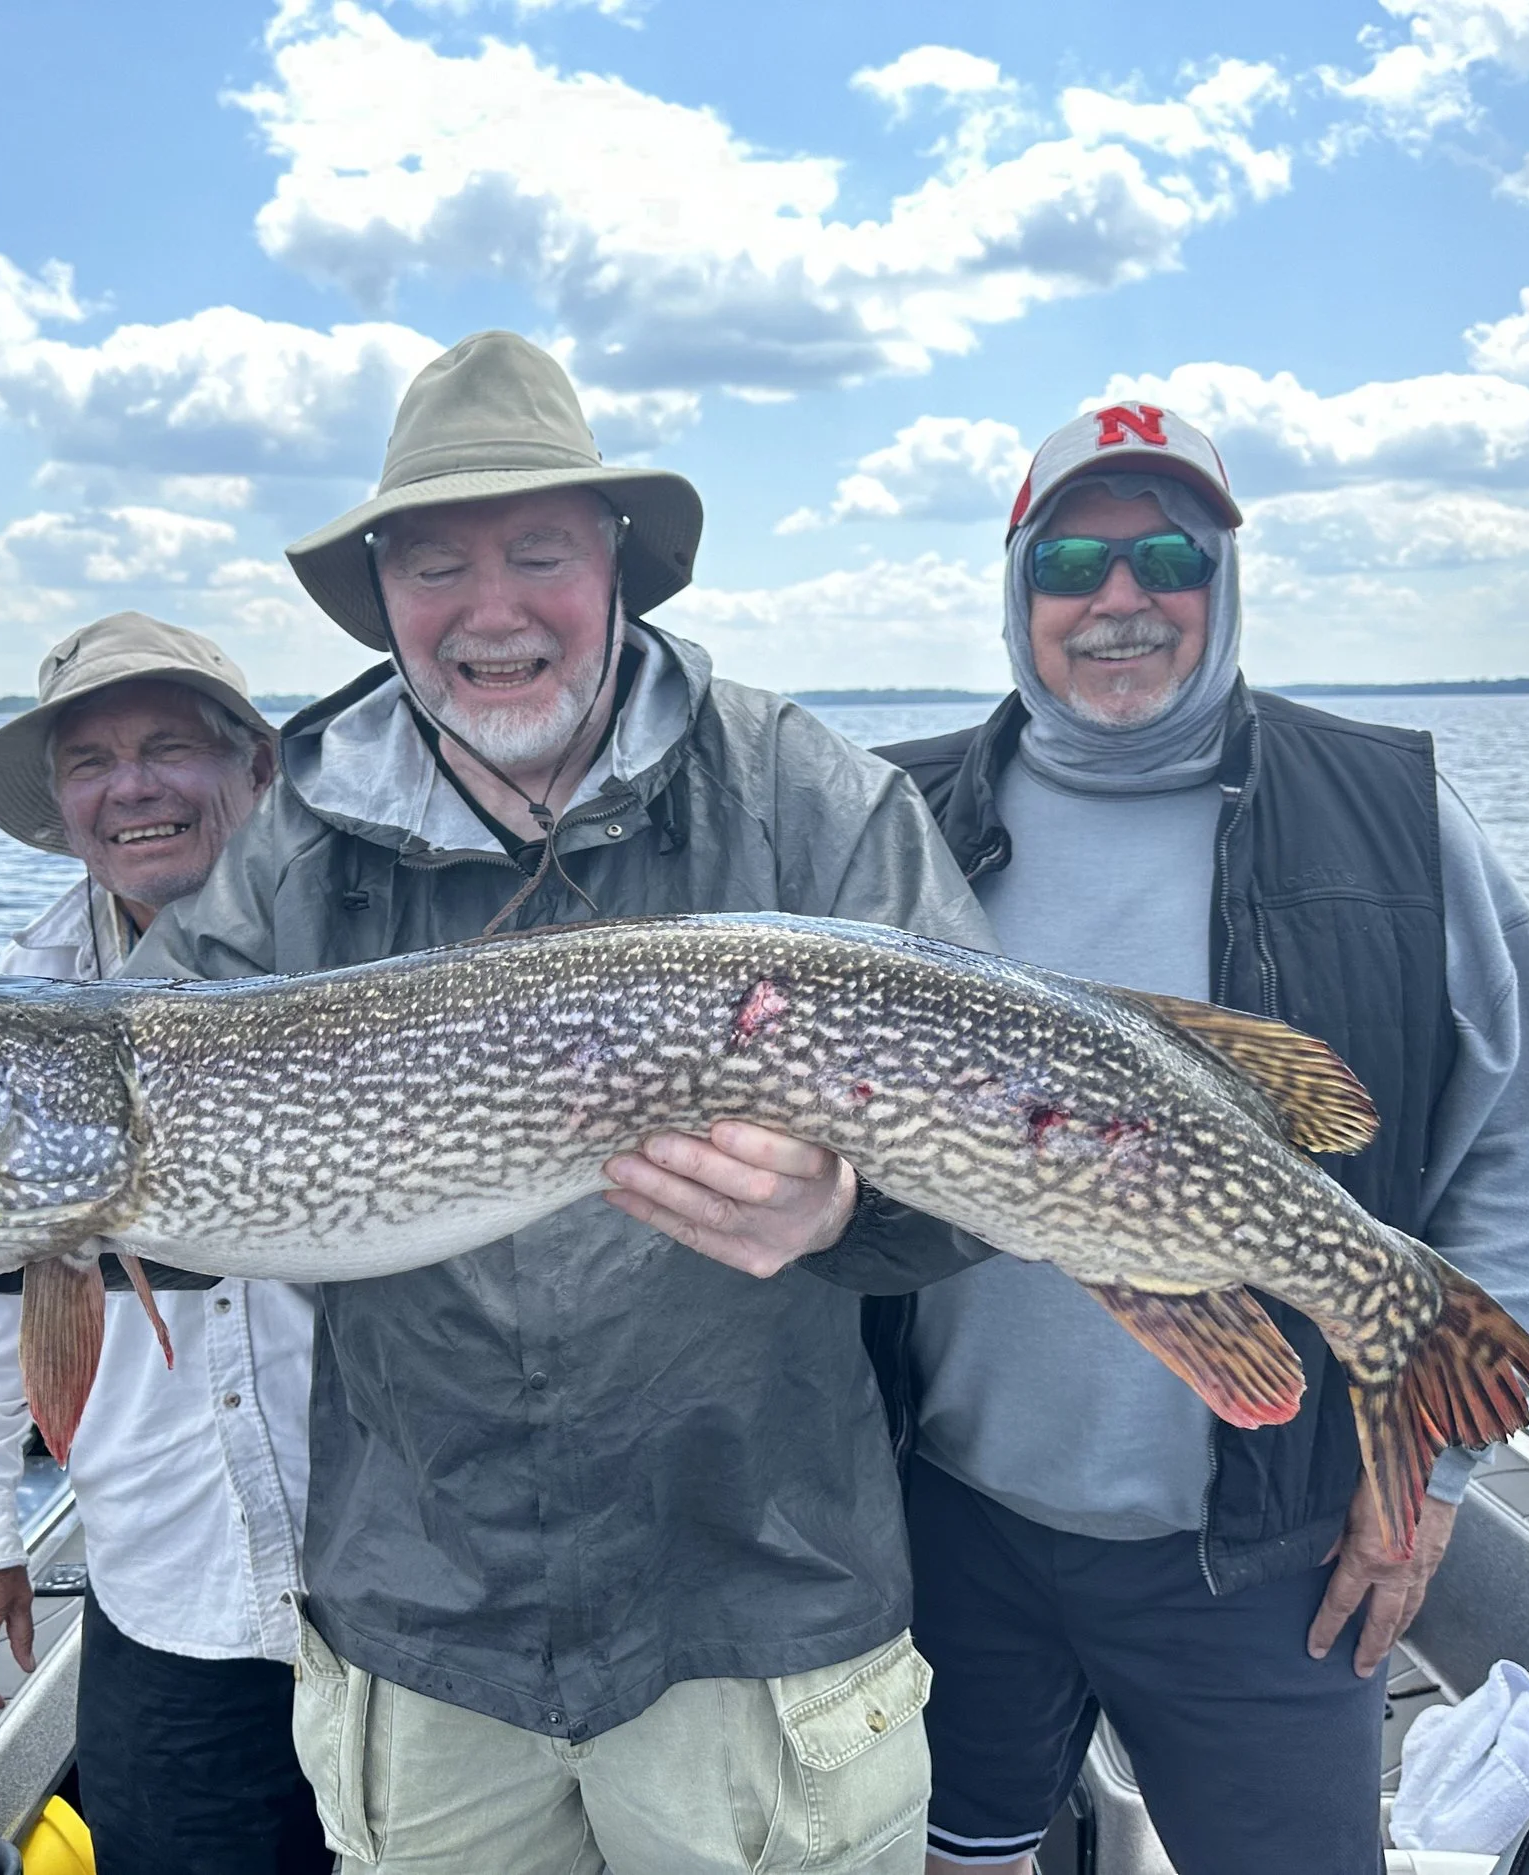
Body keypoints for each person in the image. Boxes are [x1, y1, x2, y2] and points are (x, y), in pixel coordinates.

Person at [125, 330, 992, 1875]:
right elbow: (166, 1170)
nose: (492, 610)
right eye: (437, 566)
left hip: (760, 1600)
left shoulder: (804, 794)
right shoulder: (293, 850)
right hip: (428, 1624)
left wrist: (850, 1206)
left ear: (617, 566)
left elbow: (997, 1151)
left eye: (539, 550)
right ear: (384, 595)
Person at [873, 405, 1529, 1874]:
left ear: (1224, 578)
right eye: (1075, 557)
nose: (1121, 597)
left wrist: (1432, 1491)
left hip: (1271, 1557)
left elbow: (1527, 1148)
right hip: (950, 1511)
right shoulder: (893, 814)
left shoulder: (1394, 817)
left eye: (1168, 556)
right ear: (1020, 590)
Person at [0, 611, 328, 1875]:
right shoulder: (9, 1004)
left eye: (168, 747)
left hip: (402, 1577)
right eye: (88, 762)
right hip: (168, 1588)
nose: (130, 788)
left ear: (255, 768)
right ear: (61, 803)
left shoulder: (371, 953)